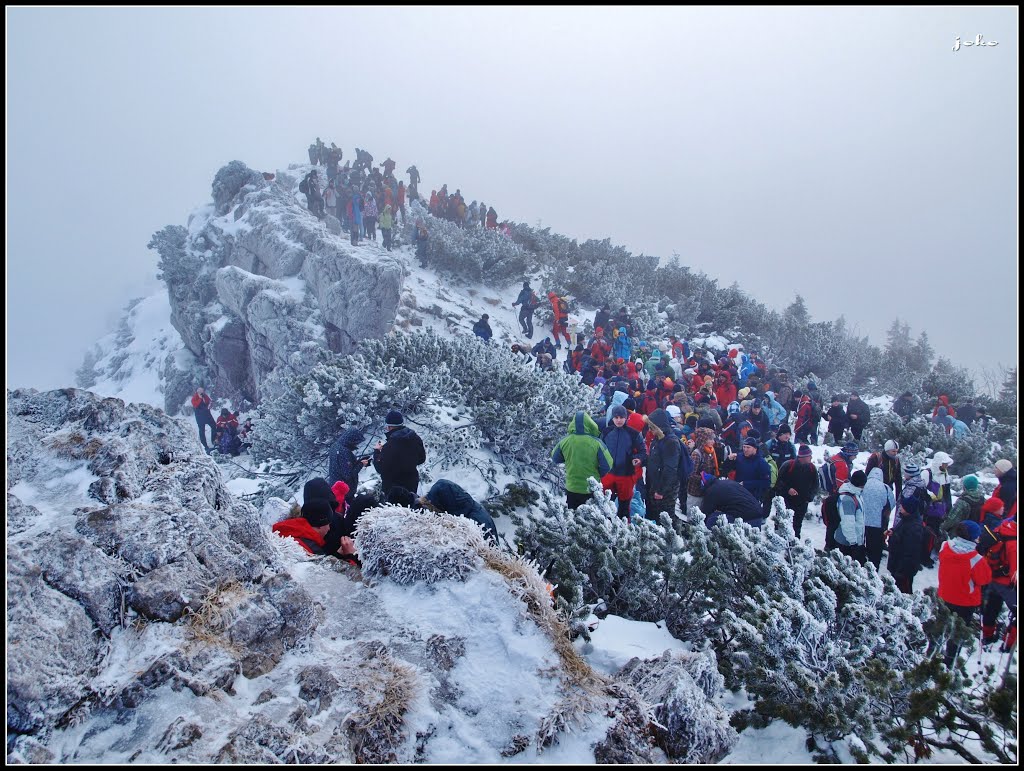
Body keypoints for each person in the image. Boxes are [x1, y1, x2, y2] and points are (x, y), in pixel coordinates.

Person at [938, 520, 992, 664]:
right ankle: (950, 660)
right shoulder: (976, 559)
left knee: (940, 626)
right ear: (973, 538)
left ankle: (933, 653)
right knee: (957, 633)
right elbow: (985, 579)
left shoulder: (945, 547)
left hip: (944, 595)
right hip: (965, 602)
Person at [552, 411, 613, 509]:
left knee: (573, 517)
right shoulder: (597, 443)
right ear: (590, 424)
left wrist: (569, 459)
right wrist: (598, 474)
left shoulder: (565, 441)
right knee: (591, 518)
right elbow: (608, 465)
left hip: (572, 487)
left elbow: (555, 458)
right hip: (590, 488)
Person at [415, 479, 499, 544]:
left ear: (443, 505)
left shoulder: (473, 524)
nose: (432, 512)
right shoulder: (460, 505)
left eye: (434, 508)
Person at [600, 404, 647, 520]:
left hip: (626, 474)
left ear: (626, 418)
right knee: (605, 502)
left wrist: (638, 458)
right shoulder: (606, 432)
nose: (619, 420)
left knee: (624, 505)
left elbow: (643, 451)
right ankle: (605, 525)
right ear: (612, 418)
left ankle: (624, 528)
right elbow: (599, 449)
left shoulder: (634, 434)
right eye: (616, 417)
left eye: (621, 417)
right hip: (608, 473)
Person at [981, 508, 1017, 650]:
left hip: (993, 578)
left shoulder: (1003, 528)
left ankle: (988, 635)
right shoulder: (1014, 544)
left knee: (991, 608)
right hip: (1006, 584)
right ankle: (1008, 644)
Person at [372, 410, 426, 499]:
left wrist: (377, 452)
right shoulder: (415, 438)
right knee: (410, 508)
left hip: (393, 487)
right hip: (411, 482)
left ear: (389, 426)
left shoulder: (390, 445)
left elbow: (381, 468)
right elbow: (422, 459)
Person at [645, 408, 681, 522]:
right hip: (655, 485)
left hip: (664, 490)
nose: (650, 430)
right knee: (655, 516)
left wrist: (660, 491)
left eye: (652, 427)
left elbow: (670, 469)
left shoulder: (671, 442)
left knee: (665, 518)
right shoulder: (659, 439)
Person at [887, 496, 928, 593]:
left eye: (902, 506)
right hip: (897, 564)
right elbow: (901, 534)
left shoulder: (914, 527)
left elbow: (911, 552)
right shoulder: (906, 518)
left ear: (909, 509)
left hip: (903, 570)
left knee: (904, 592)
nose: (900, 507)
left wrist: (901, 572)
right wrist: (893, 532)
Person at [778, 445, 820, 539]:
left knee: (797, 524)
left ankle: (795, 543)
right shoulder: (789, 465)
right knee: (782, 523)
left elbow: (815, 485)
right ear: (803, 457)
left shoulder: (812, 468)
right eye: (809, 456)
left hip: (802, 502)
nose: (811, 458)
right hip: (786, 501)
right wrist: (788, 489)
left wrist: (809, 497)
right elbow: (778, 482)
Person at [699, 473, 766, 527]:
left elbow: (704, 514)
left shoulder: (712, 491)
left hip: (746, 518)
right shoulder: (728, 482)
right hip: (757, 513)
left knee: (712, 522)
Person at [862, 467, 896, 569]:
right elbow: (892, 503)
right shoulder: (885, 487)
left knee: (859, 546)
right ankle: (873, 569)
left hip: (861, 521)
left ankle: (859, 567)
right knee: (875, 549)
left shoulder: (863, 484)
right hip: (877, 523)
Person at [328, 427, 369, 505]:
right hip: (344, 491)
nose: (356, 444)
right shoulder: (343, 452)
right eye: (356, 442)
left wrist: (358, 462)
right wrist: (361, 464)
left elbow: (343, 467)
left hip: (336, 487)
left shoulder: (335, 446)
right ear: (351, 440)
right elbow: (348, 474)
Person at [834, 470, 867, 564]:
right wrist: (853, 544)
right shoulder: (848, 500)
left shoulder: (856, 493)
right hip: (847, 543)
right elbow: (847, 523)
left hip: (855, 540)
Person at [939, 474, 984, 542]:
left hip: (961, 533)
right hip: (976, 532)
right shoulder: (982, 499)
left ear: (964, 487)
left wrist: (942, 527)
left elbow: (951, 519)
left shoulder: (962, 502)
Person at [735, 437, 772, 506]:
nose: (745, 450)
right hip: (738, 493)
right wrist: (729, 460)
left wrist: (746, 484)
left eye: (748, 447)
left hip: (753, 497)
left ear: (755, 448)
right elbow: (728, 469)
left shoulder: (761, 462)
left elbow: (766, 482)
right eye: (744, 447)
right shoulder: (739, 457)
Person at [190, 386, 218, 452]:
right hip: (200, 417)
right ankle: (204, 446)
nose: (202, 393)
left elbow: (209, 401)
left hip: (207, 415)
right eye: (200, 392)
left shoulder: (205, 396)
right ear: (197, 392)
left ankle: (214, 440)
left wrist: (210, 404)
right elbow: (195, 405)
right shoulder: (194, 398)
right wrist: (200, 398)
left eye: (202, 391)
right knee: (202, 431)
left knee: (214, 426)